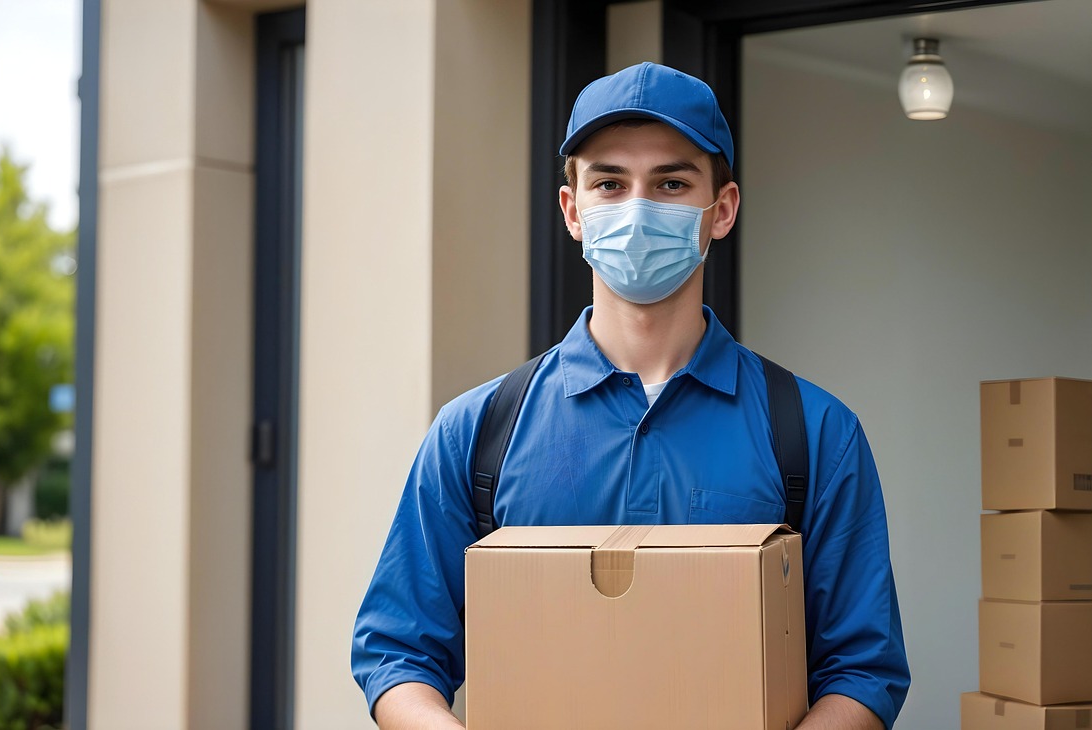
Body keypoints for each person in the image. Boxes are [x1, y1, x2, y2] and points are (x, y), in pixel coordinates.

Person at [352, 61, 910, 729]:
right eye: (609, 183)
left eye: (671, 183)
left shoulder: (815, 432)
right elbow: (397, 653)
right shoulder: (476, 432)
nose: (637, 209)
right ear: (573, 210)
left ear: (722, 209)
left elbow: (863, 671)